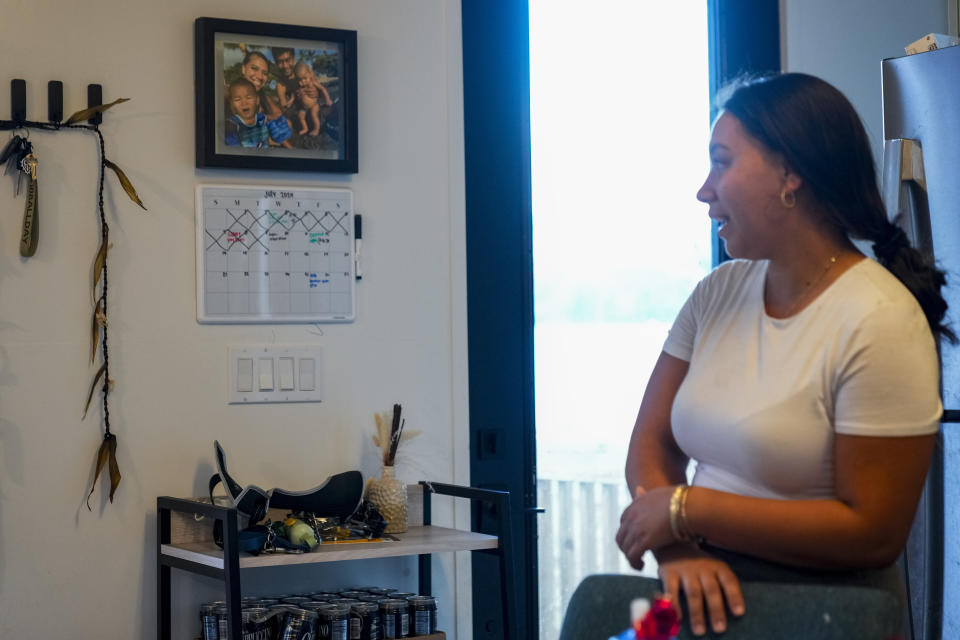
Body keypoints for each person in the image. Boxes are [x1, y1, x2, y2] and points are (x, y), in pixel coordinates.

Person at [615, 72, 952, 637]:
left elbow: (872, 530)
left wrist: (684, 512)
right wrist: (677, 551)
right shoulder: (717, 294)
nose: (705, 189)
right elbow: (652, 444)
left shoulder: (879, 318)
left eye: (722, 162)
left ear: (789, 174)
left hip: (826, 613)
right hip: (701, 591)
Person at [235, 50, 293, 148]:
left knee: (286, 123)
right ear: (243, 69)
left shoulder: (261, 94)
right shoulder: (232, 91)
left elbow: (278, 114)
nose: (259, 76)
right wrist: (266, 119)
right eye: (254, 68)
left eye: (264, 73)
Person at [224, 78, 269, 148]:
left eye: (249, 98)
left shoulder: (262, 118)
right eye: (237, 99)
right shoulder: (232, 124)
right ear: (231, 104)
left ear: (257, 100)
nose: (244, 103)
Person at [293, 61, 333, 136]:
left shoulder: (313, 82)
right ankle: (305, 128)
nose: (303, 82)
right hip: (304, 107)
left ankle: (316, 129)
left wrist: (327, 99)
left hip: (314, 105)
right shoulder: (300, 86)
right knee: (300, 116)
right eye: (300, 80)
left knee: (313, 114)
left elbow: (322, 89)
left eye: (305, 78)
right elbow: (296, 94)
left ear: (310, 75)